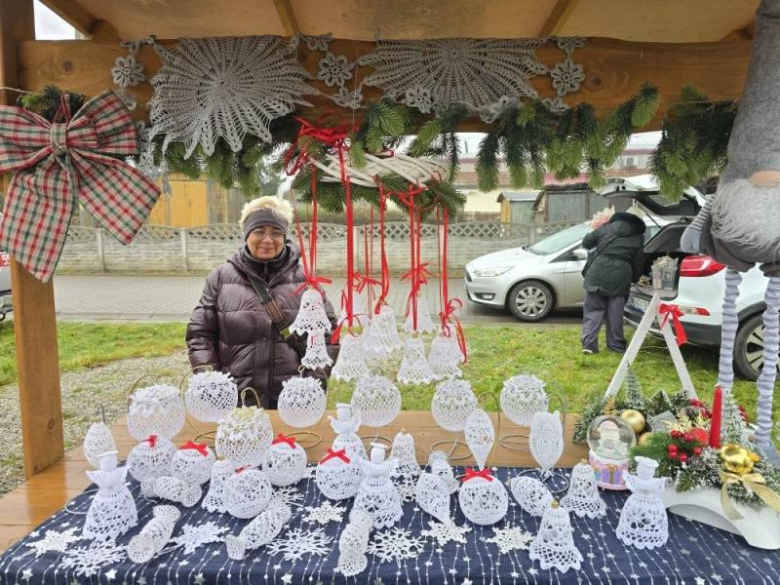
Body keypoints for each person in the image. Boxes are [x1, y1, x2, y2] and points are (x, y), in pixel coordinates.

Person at [186, 196, 338, 408]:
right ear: (246, 234)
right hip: (236, 401)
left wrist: (312, 383)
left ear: (284, 236)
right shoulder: (220, 278)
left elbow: (327, 336)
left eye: (276, 232)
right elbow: (200, 334)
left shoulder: (306, 282)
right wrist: (212, 382)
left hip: (291, 402)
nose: (268, 239)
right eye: (259, 231)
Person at [580, 212, 646, 354]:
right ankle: (616, 346)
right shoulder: (638, 237)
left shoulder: (605, 228)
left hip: (597, 273)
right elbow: (638, 261)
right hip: (620, 275)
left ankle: (589, 345)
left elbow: (586, 242)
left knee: (593, 310)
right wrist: (635, 278)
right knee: (615, 313)